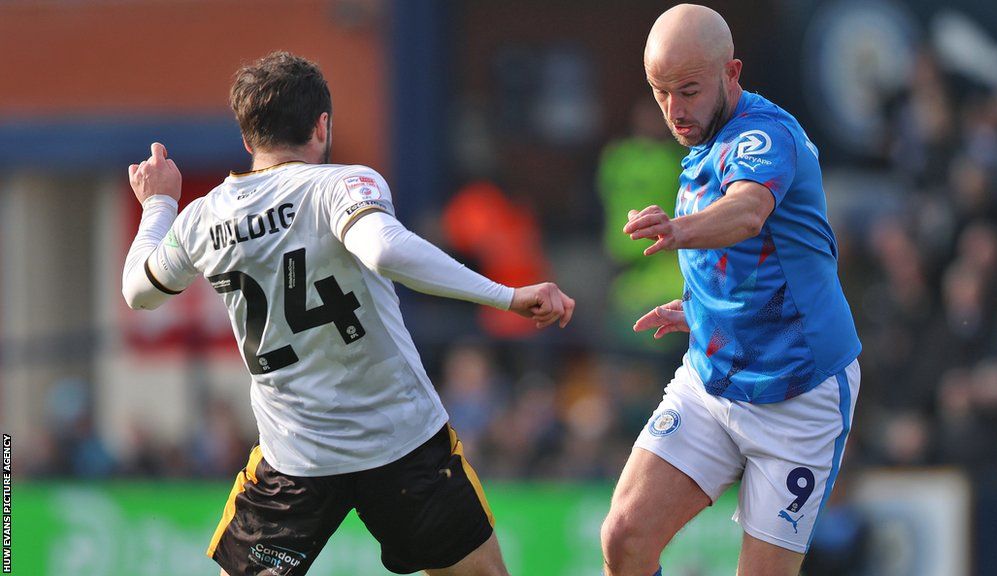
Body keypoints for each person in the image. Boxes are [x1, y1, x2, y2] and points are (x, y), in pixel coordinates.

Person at [121, 51, 574, 576]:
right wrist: (508, 296)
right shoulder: (341, 185)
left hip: (294, 461)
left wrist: (158, 205)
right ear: (322, 125)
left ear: (247, 140)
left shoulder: (204, 217)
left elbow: (139, 291)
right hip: (401, 444)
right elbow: (384, 250)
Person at [600, 5, 862, 576]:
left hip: (800, 392)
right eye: (659, 92)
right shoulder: (703, 136)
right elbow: (757, 258)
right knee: (624, 537)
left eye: (688, 90)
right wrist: (701, 310)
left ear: (732, 73)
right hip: (715, 377)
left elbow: (745, 214)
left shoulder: (765, 135)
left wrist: (674, 231)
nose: (674, 111)